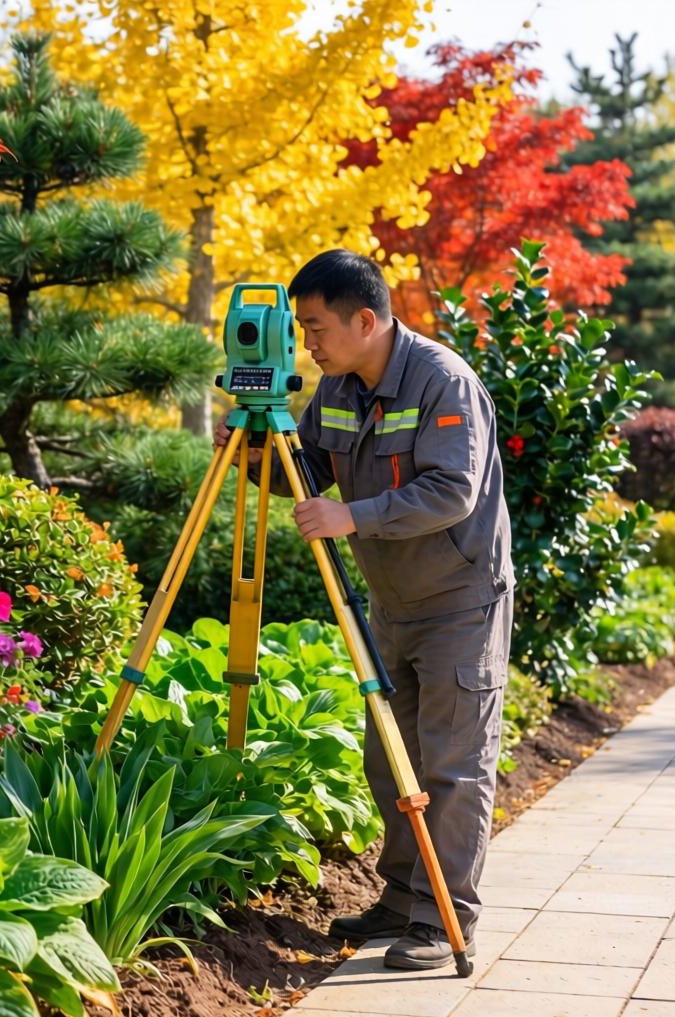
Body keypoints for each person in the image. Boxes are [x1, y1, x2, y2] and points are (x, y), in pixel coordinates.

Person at [213, 249, 514, 970]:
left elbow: (452, 491)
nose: (306, 343)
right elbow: (311, 471)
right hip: (391, 601)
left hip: (459, 601)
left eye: (314, 328)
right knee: (391, 759)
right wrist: (255, 455)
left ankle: (445, 921)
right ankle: (403, 899)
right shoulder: (339, 387)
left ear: (366, 319)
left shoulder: (443, 381)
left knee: (450, 767)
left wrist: (356, 516)